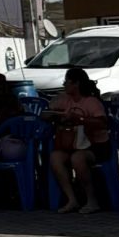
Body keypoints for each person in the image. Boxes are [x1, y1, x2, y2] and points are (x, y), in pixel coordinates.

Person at [49, 65, 112, 215]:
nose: (64, 85)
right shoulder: (65, 100)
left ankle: (92, 200)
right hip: (72, 144)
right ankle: (72, 199)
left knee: (78, 158)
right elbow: (50, 110)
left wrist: (81, 120)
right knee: (55, 157)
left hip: (96, 145)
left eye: (67, 82)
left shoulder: (91, 102)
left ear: (76, 84)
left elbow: (102, 123)